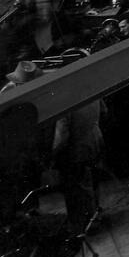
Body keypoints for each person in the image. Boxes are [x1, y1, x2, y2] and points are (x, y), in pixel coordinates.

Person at [52, 99, 104, 235]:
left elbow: (60, 138)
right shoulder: (89, 91)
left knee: (79, 187)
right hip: (95, 140)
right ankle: (95, 216)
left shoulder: (62, 102)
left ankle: (85, 224)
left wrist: (51, 154)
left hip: (77, 150)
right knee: (93, 182)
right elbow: (104, 110)